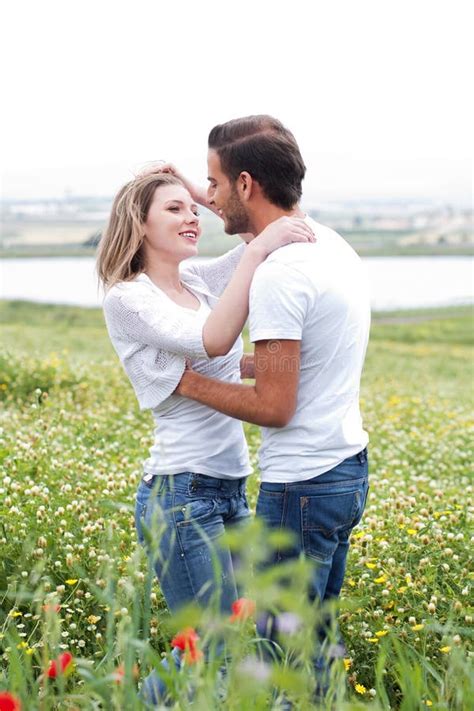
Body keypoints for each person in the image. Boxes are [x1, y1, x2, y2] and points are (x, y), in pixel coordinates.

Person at [96, 170, 315, 703]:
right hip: (181, 494)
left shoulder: (194, 282)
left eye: (192, 209)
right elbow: (212, 339)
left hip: (228, 489)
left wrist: (201, 194)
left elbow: (291, 221)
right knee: (209, 644)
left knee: (233, 635)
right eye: (174, 211)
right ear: (138, 223)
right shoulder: (128, 298)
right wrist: (259, 244)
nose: (192, 217)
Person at [175, 115, 371, 696]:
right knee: (314, 649)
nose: (204, 197)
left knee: (282, 660)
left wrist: (186, 383)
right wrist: (193, 188)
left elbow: (274, 405)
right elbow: (302, 364)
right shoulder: (326, 243)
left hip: (301, 487)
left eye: (211, 185)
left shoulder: (279, 275)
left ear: (245, 183)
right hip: (344, 470)